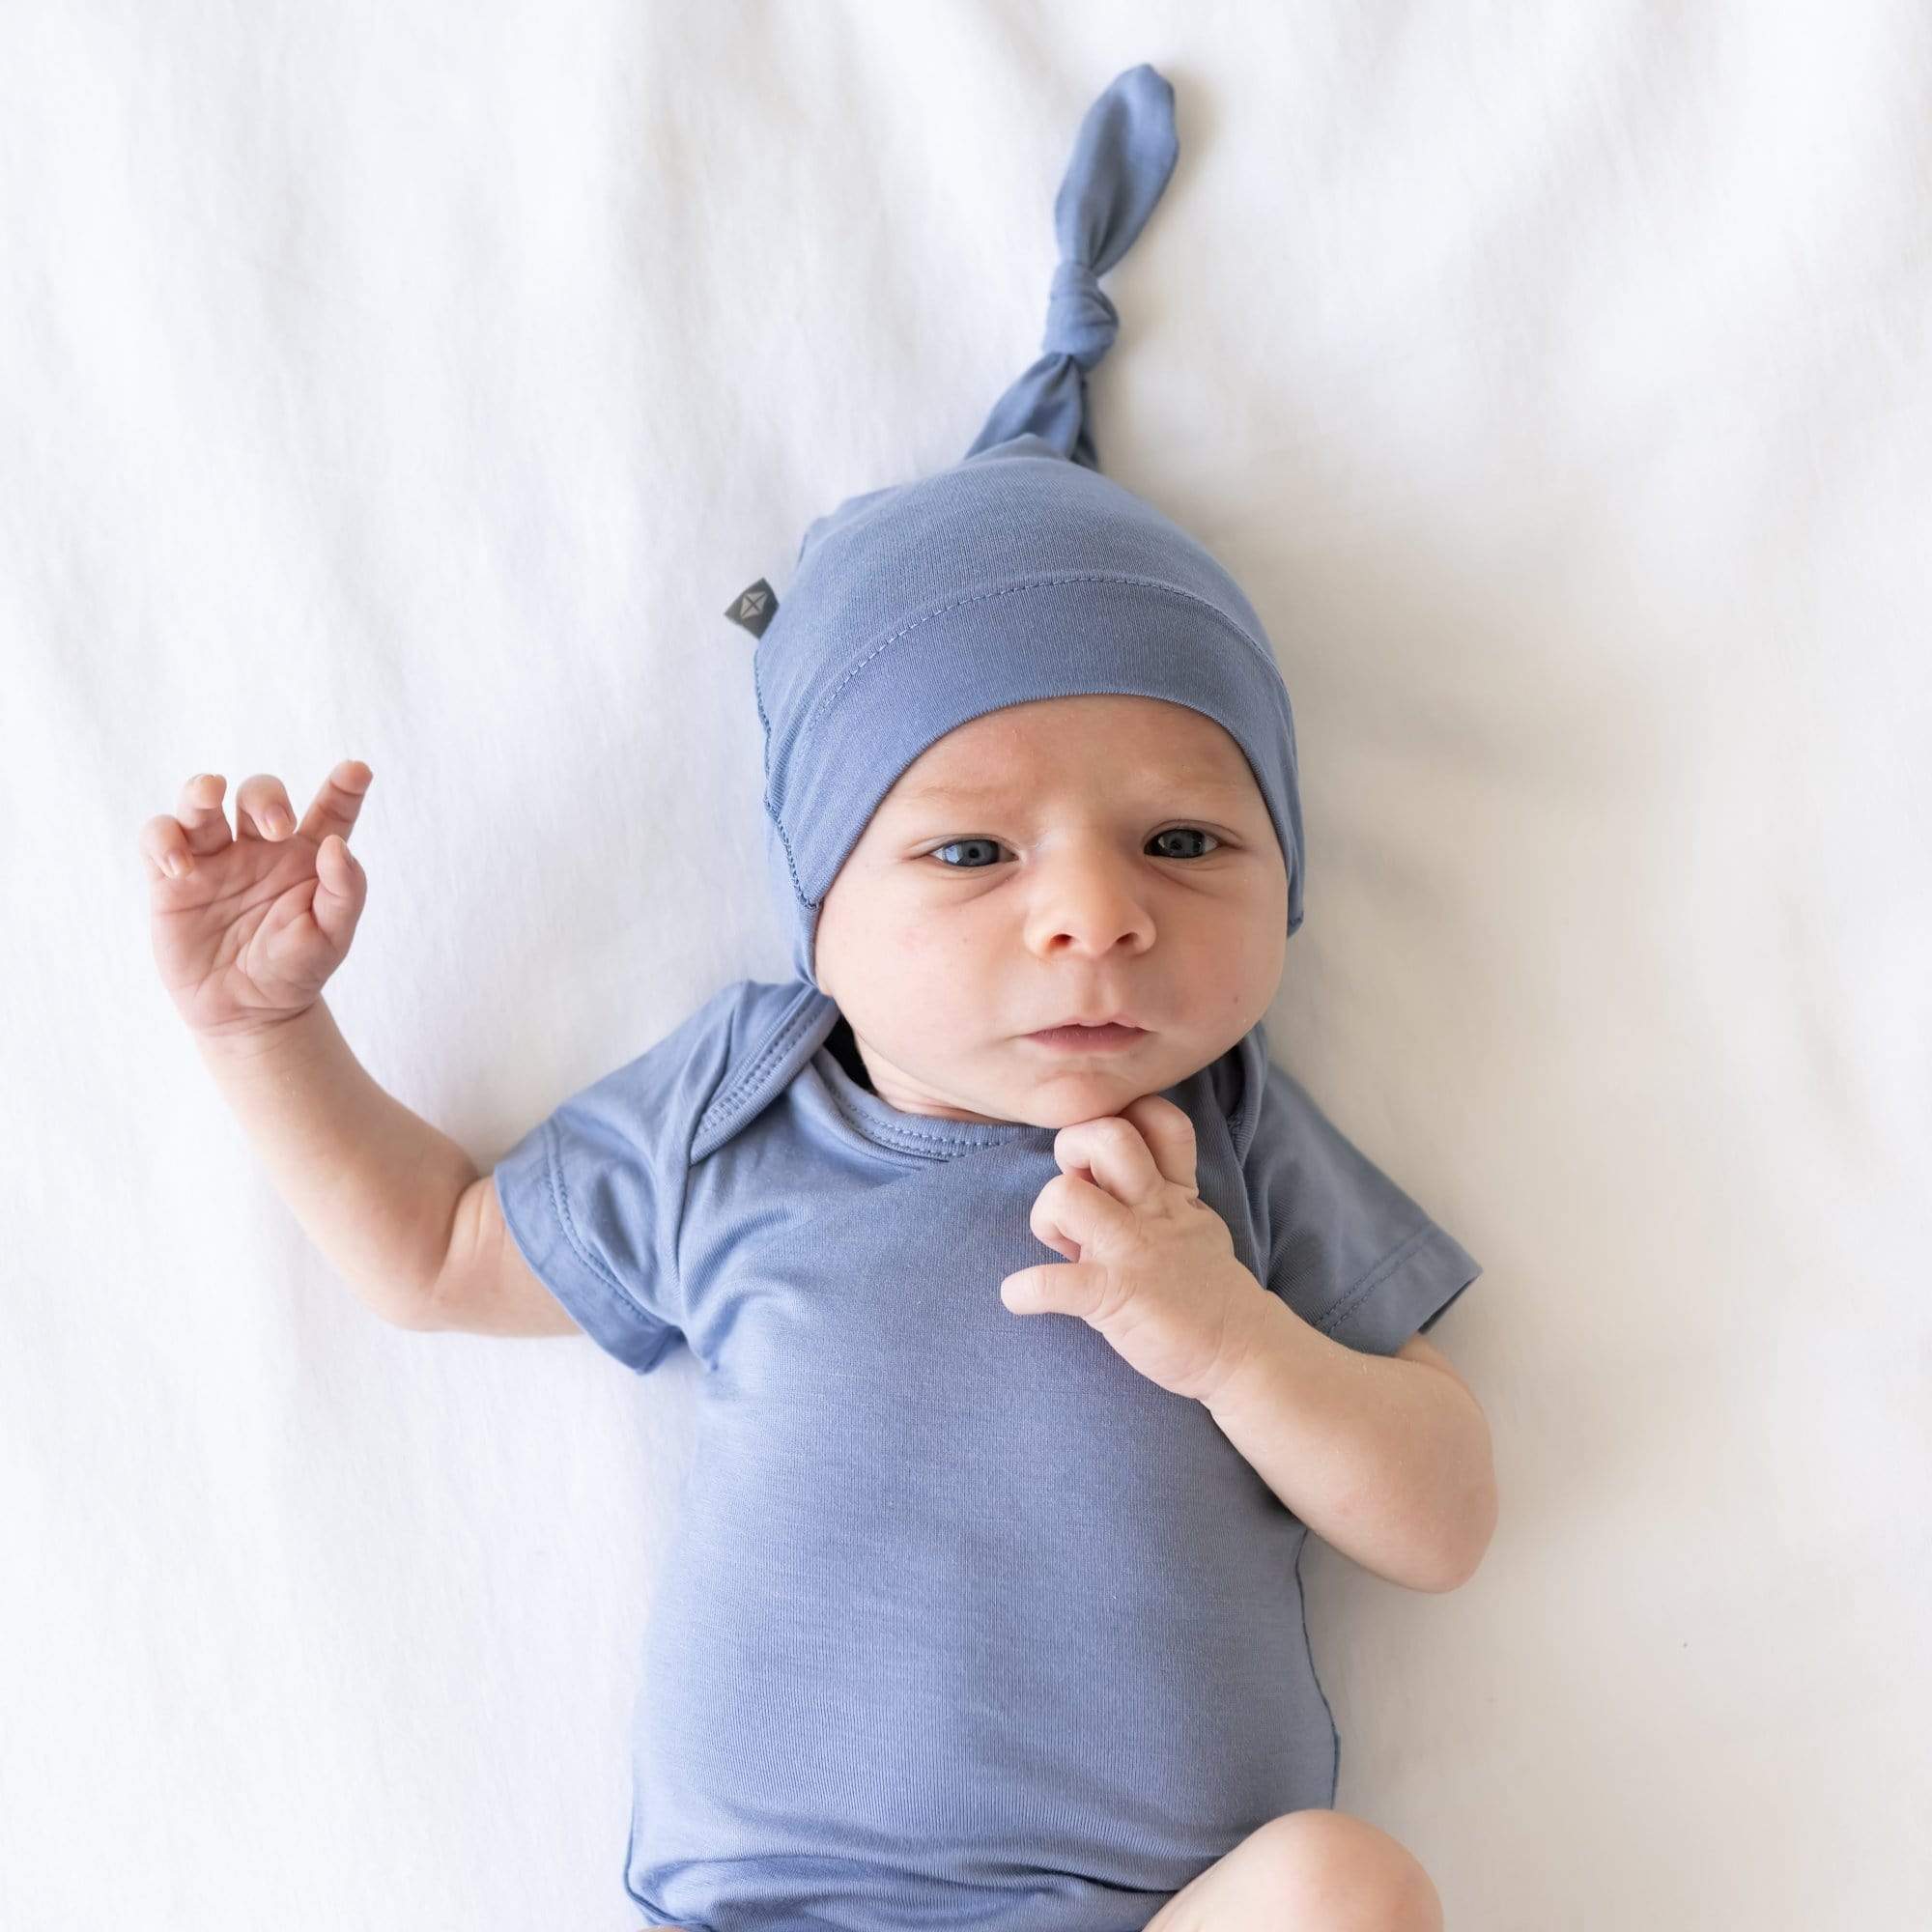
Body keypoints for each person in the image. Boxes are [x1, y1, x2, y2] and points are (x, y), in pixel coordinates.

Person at [138, 64, 1494, 1932]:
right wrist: (265, 1031)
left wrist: (1233, 1338)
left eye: (1185, 847)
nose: (1093, 920)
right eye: (969, 855)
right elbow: (438, 1253)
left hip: (1150, 1911)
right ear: (814, 905)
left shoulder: (1231, 1152)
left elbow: (1439, 1519)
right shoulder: (747, 1111)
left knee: (1346, 1888)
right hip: (770, 1910)